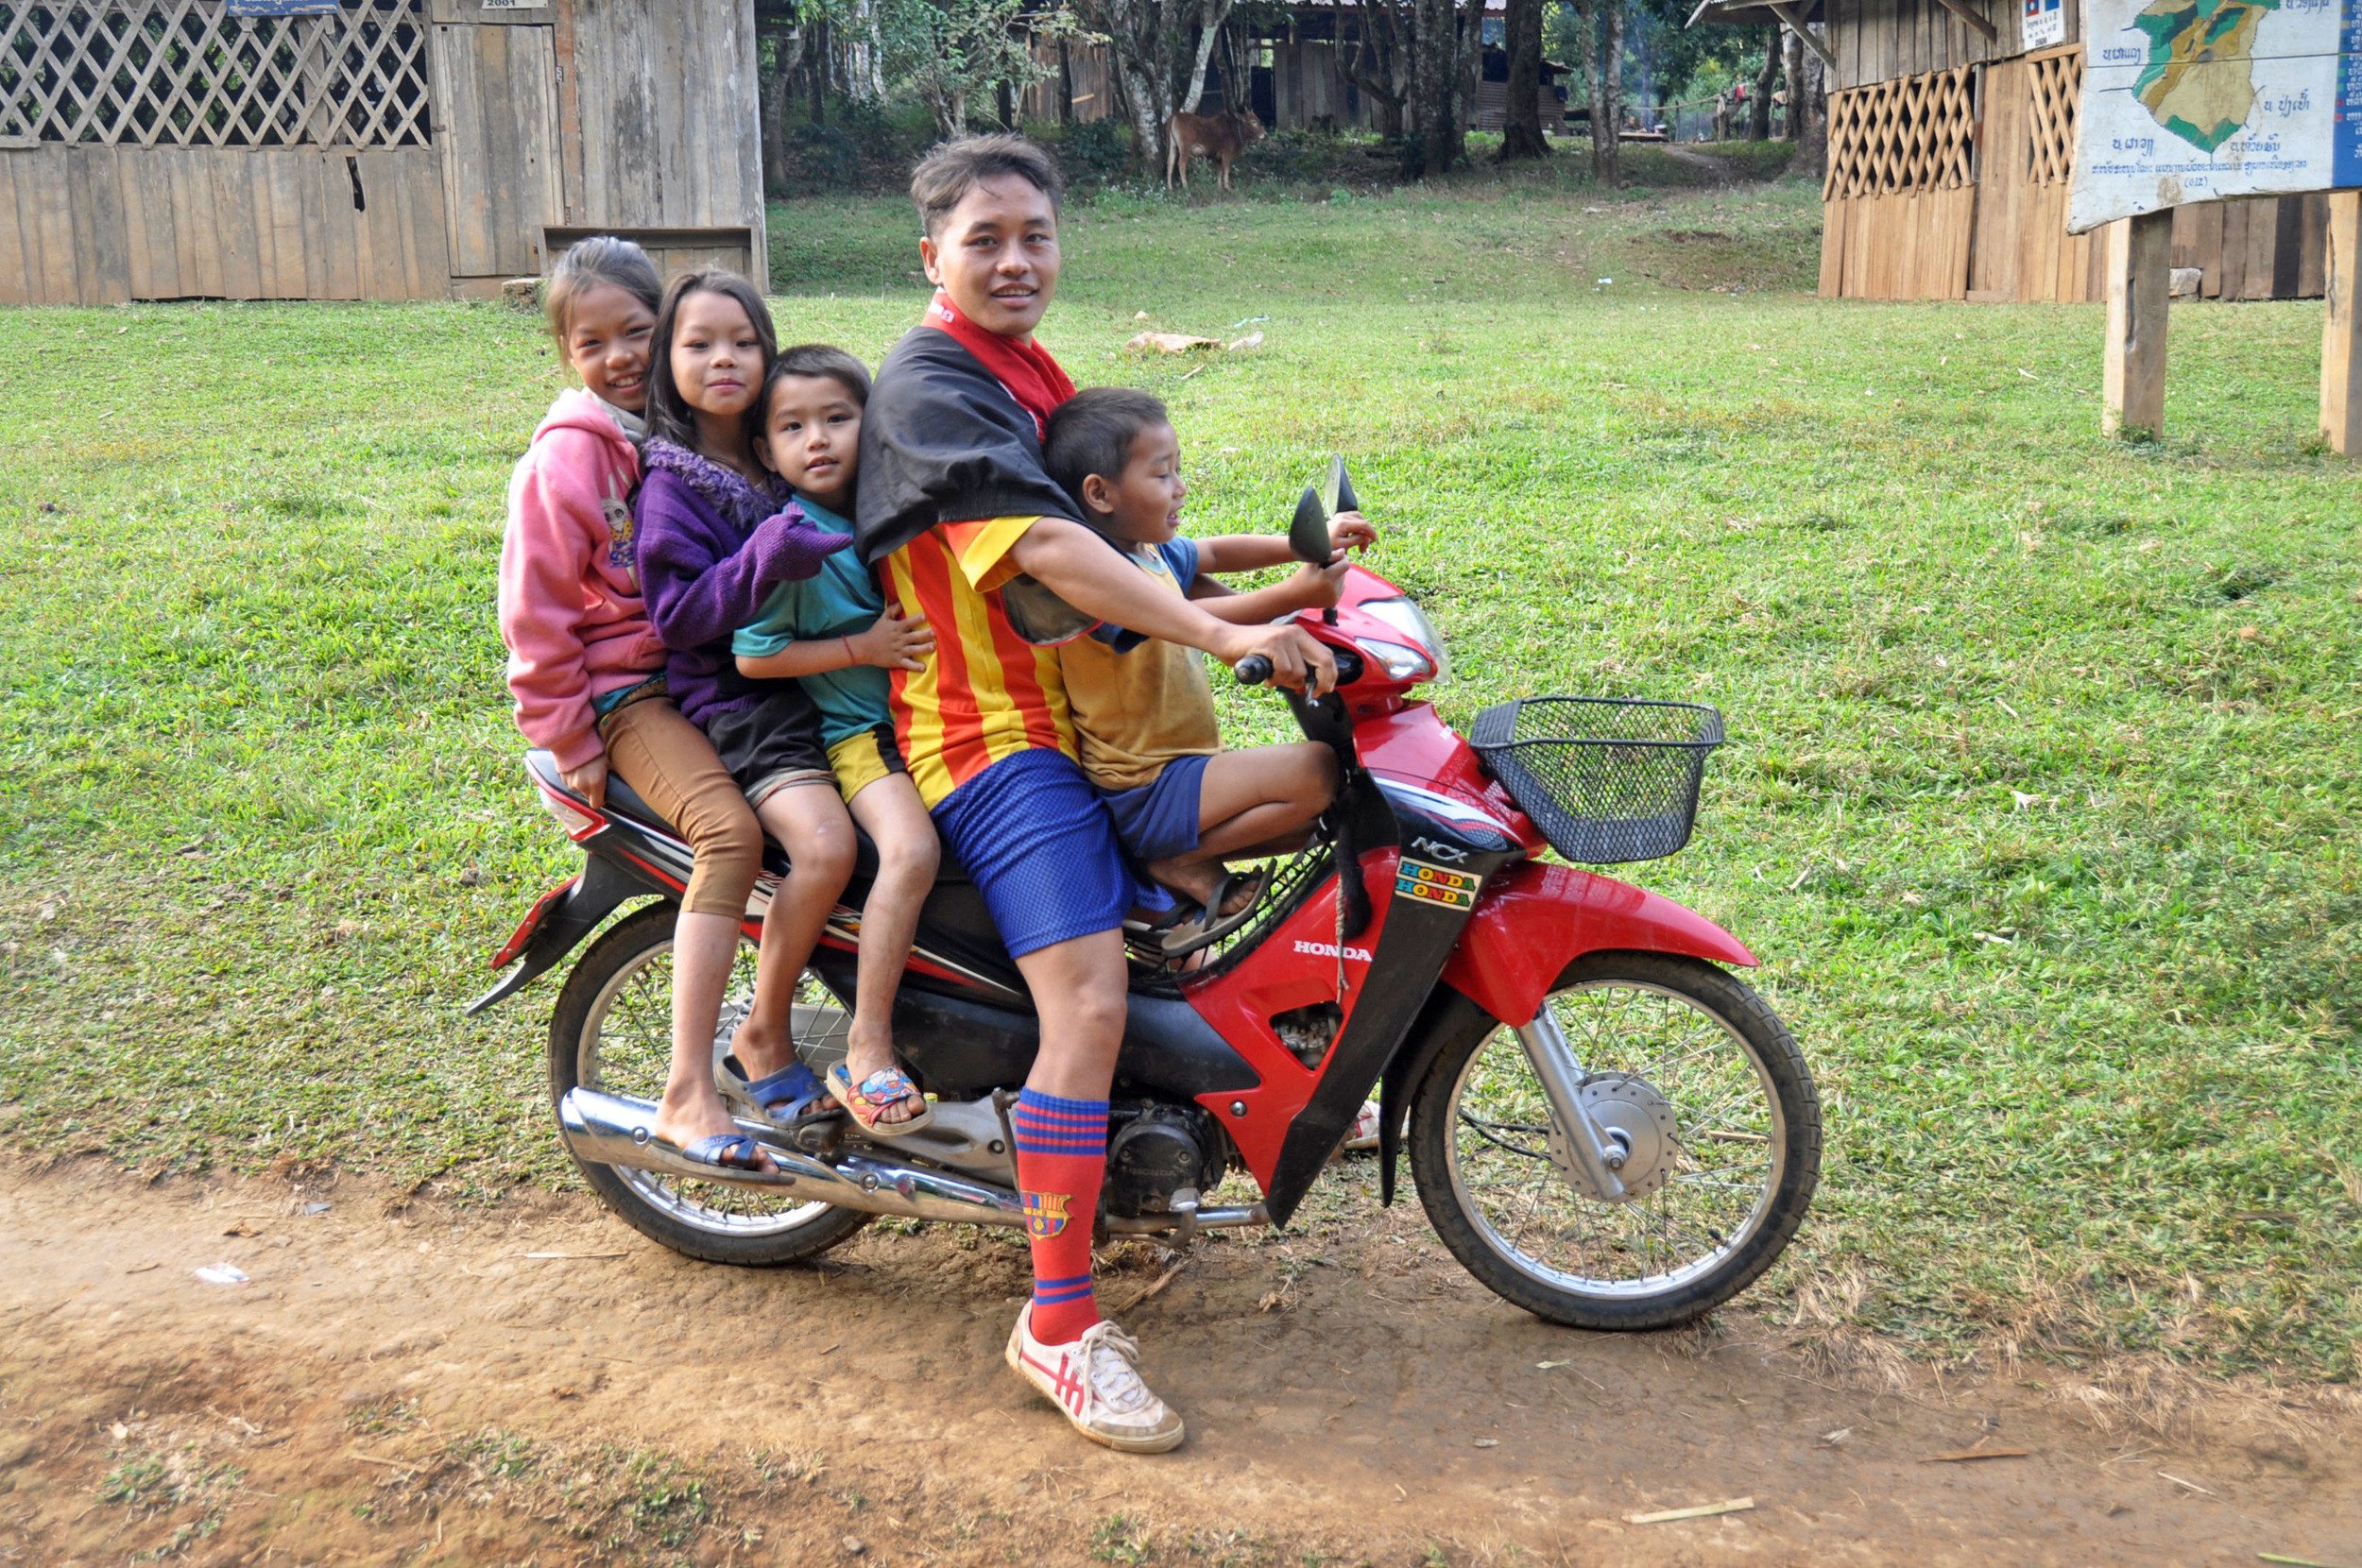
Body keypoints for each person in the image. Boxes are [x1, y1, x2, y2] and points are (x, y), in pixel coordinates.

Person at [854, 133, 1334, 1454]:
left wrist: (1293, 578)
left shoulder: (1029, 372)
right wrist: (1225, 634)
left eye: (1037, 237)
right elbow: (1063, 551)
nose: (1017, 261)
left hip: (1073, 720)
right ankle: (1057, 1326)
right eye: (986, 239)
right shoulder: (930, 385)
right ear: (932, 257)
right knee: (1092, 1000)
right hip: (993, 743)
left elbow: (1133, 533)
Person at [498, 238, 785, 1176]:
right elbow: (534, 609)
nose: (619, 355)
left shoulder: (667, 434)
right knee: (730, 836)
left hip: (703, 678)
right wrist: (567, 732)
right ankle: (683, 1089)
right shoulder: (569, 457)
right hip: (627, 698)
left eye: (637, 331)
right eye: (593, 342)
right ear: (566, 355)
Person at [632, 269, 863, 1138]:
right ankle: (760, 1037)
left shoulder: (780, 449)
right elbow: (680, 616)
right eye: (699, 344)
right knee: (827, 846)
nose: (724, 359)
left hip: (822, 691)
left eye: (743, 342)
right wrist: (763, 554)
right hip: (741, 706)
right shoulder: (675, 487)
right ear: (669, 363)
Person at [1042, 386, 1377, 955]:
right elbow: (1190, 616)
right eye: (1161, 474)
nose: (1180, 488)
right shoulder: (1094, 584)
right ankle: (1168, 859)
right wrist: (1290, 595)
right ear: (1099, 494)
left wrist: (1299, 546)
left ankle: (1179, 874)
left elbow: (1214, 555)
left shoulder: (1146, 550)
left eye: (1179, 470)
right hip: (1142, 789)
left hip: (1181, 770)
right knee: (1318, 772)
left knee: (1313, 819)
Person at [729, 345, 938, 1133]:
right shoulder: (793, 544)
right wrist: (863, 649)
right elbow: (756, 655)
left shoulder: (895, 512)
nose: (816, 439)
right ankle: (869, 1046)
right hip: (865, 733)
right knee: (910, 852)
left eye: (837, 419)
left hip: (944, 722)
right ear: (765, 449)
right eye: (793, 426)